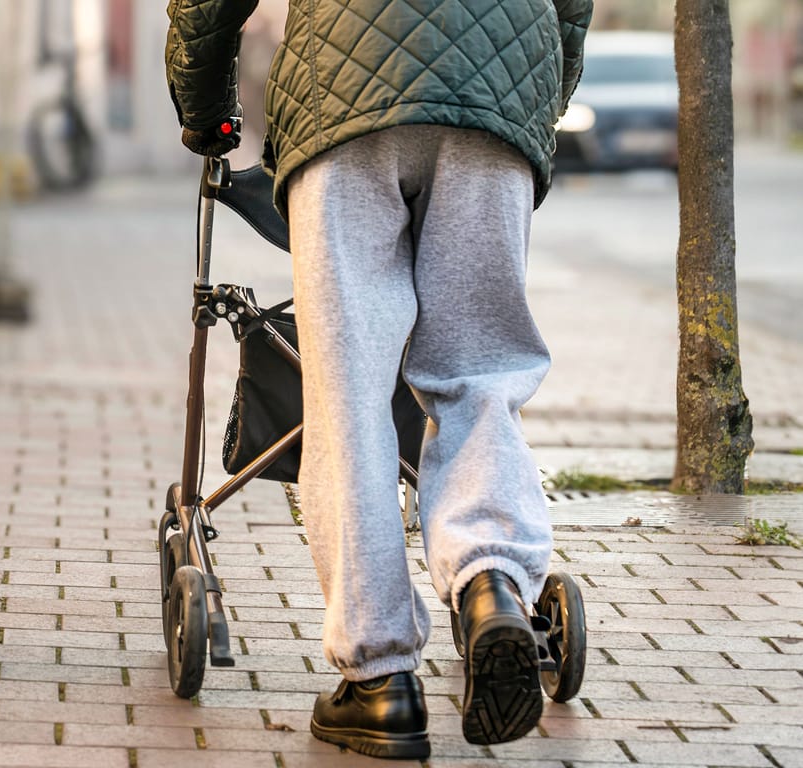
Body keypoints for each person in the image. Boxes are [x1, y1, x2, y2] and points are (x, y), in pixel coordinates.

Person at [167, 0, 590, 758]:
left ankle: (381, 681)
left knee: (350, 395)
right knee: (480, 370)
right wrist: (532, 97)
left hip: (344, 89)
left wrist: (205, 112)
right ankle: (491, 579)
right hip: (500, 73)